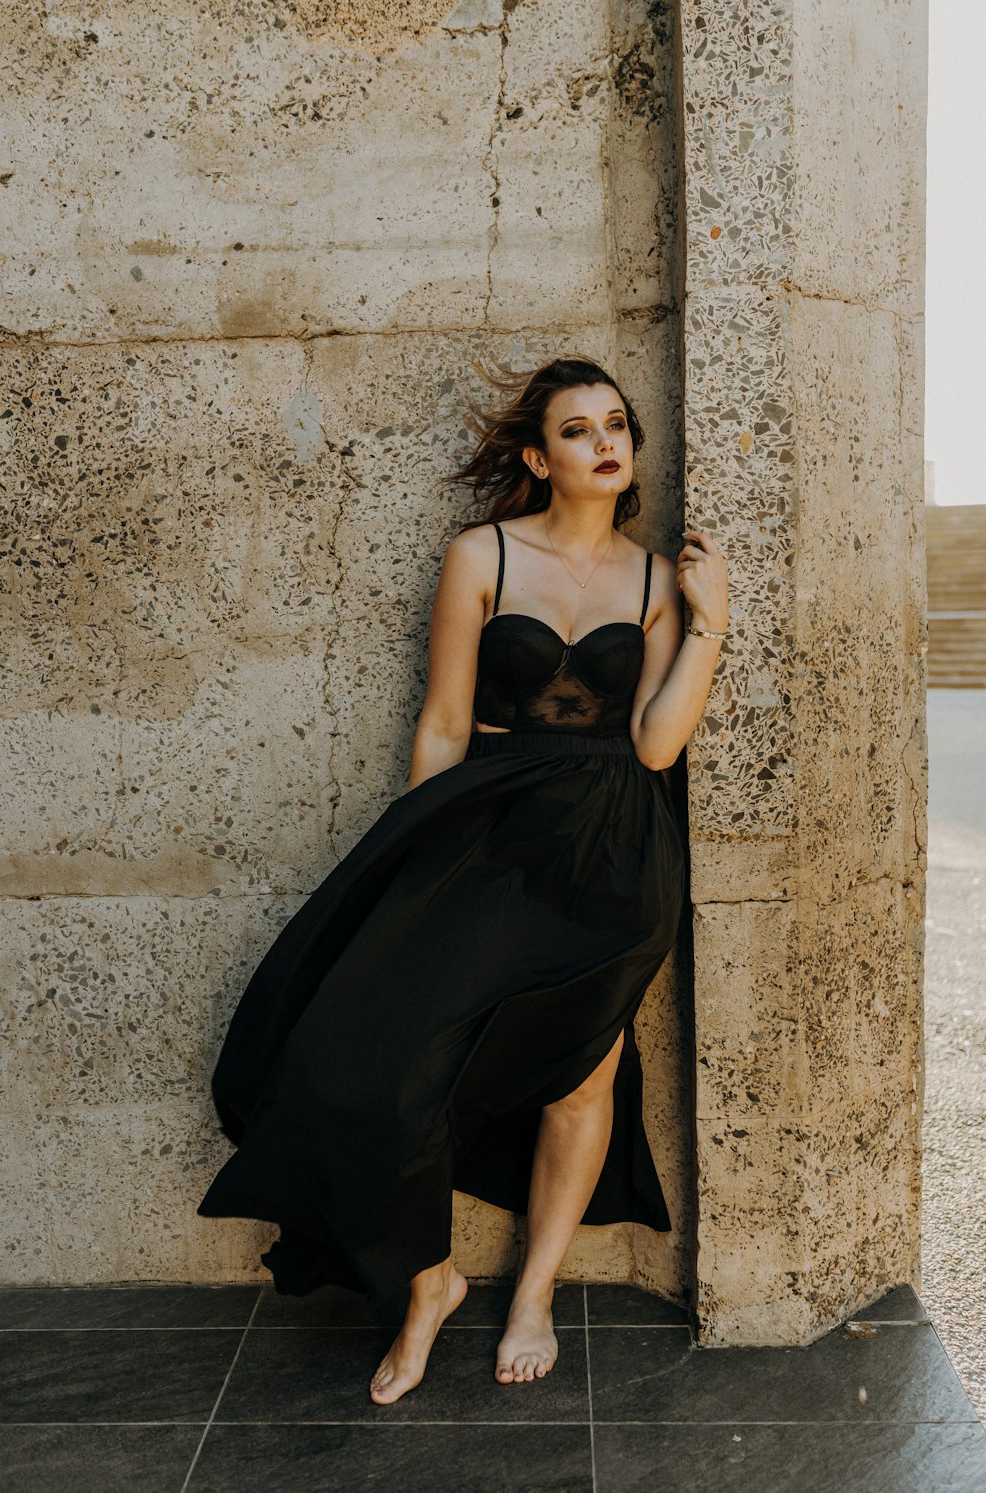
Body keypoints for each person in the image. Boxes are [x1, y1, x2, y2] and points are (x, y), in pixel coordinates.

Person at [196, 354, 729, 1407]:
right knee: (369, 1063)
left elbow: (659, 746)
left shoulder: (655, 577)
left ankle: (534, 1293)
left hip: (613, 848)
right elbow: (443, 720)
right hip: (486, 828)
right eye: (576, 430)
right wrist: (418, 863)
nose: (604, 442)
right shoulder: (479, 553)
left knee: (581, 1081)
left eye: (615, 424)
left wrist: (707, 618)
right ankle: (427, 1280)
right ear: (538, 456)